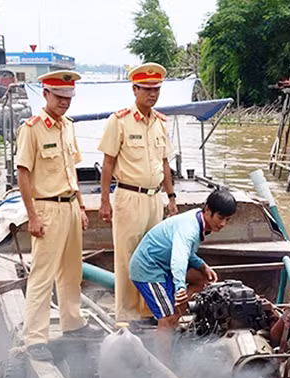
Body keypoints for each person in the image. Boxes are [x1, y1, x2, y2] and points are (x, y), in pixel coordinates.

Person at [16, 70, 101, 362]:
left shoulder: (67, 126)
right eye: (60, 97)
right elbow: (23, 174)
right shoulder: (32, 128)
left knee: (71, 271)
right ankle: (35, 338)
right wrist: (32, 217)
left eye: (68, 97)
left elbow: (71, 170)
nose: (65, 102)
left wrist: (79, 205)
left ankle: (73, 323)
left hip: (68, 206)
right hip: (46, 208)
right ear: (46, 95)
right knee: (43, 275)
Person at [97, 62, 178, 323]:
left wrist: (171, 197)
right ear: (135, 89)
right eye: (147, 89)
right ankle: (127, 316)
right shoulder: (118, 121)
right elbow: (108, 163)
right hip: (129, 197)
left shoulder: (161, 123)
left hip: (156, 198)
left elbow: (165, 163)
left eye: (156, 89)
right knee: (127, 258)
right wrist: (104, 201)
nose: (152, 94)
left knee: (154, 256)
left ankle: (149, 312)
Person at [128, 187, 236, 357]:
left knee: (203, 279)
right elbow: (178, 258)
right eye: (220, 218)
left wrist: (202, 266)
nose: (222, 224)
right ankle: (163, 366)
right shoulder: (190, 229)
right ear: (207, 210)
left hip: (164, 264)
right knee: (166, 320)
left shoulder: (199, 219)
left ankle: (175, 316)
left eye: (228, 220)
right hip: (149, 268)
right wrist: (179, 287)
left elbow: (186, 253)